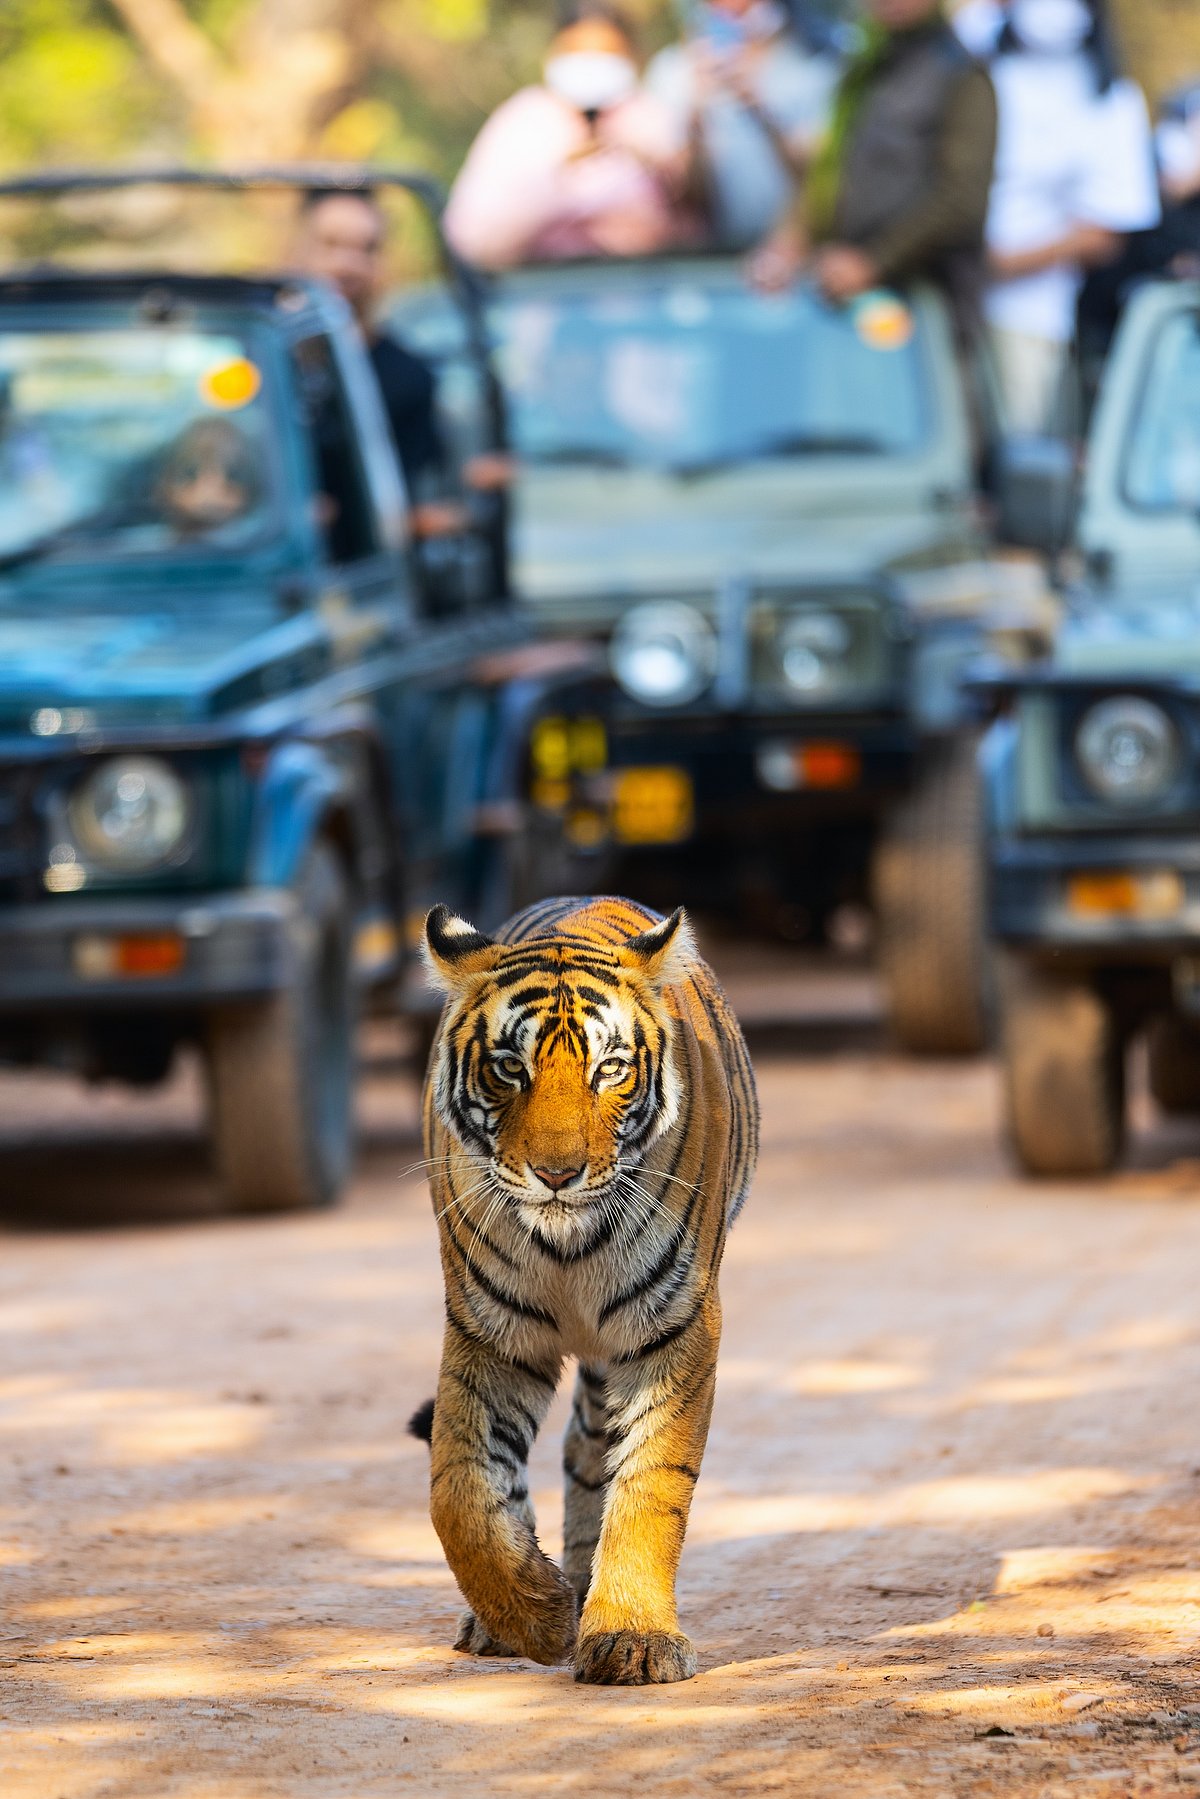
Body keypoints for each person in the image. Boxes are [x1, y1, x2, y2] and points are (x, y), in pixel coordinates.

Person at [954, 0, 1160, 433]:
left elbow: (1108, 229)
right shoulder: (977, 60)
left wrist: (998, 264)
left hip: (1029, 316)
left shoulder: (1108, 95)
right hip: (940, 294)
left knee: (1014, 446)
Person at [754, 0, 997, 343]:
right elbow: (827, 171)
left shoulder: (959, 72)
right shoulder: (863, 65)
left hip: (923, 315)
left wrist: (873, 262)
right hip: (841, 306)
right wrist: (789, 240)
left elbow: (963, 199)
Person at [444, 3, 696, 268]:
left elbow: (697, 225)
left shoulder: (649, 117)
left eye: (605, 54)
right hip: (545, 290)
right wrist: (557, 187)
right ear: (555, 53)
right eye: (579, 53)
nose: (592, 65)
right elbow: (470, 239)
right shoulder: (524, 120)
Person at [645, 0, 840, 251]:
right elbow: (676, 193)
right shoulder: (673, 71)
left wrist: (760, 109)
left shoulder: (812, 63)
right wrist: (697, 117)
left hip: (792, 255)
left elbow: (819, 177)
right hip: (703, 262)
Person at [297, 189, 448, 513]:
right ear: (296, 251)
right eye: (330, 244)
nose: (347, 266)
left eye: (367, 249)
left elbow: (419, 503)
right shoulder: (255, 366)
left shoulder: (408, 378)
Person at [155, 418, 259, 541]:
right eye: (191, 472)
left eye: (233, 473)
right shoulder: (148, 546)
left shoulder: (263, 538)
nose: (210, 489)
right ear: (166, 483)